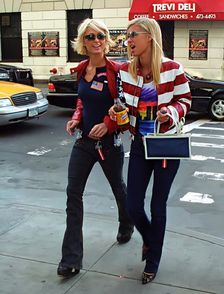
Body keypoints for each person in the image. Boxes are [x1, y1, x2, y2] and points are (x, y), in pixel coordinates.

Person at [110, 18, 192, 284]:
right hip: (139, 144)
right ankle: (149, 239)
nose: (128, 40)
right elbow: (122, 102)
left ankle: (153, 260)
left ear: (150, 37)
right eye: (127, 35)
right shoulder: (126, 70)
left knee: (158, 205)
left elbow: (185, 100)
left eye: (133, 34)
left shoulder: (172, 68)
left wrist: (172, 110)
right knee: (133, 204)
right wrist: (117, 112)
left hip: (164, 145)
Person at [57, 18, 134, 278]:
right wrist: (76, 118)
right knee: (73, 194)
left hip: (108, 144)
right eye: (90, 37)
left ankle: (127, 222)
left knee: (118, 188)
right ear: (83, 42)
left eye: (101, 35)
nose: (96, 40)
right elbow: (82, 99)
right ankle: (71, 259)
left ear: (107, 40)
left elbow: (124, 105)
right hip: (83, 143)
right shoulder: (82, 69)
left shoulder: (117, 71)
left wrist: (108, 123)